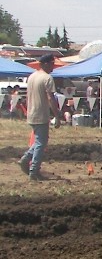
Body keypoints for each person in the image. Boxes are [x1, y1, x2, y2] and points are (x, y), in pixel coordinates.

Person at [18, 53, 61, 181]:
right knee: (41, 144)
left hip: (31, 113)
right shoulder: (47, 78)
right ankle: (34, 170)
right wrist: (57, 115)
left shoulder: (32, 76)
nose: (53, 66)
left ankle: (26, 160)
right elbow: (51, 98)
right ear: (46, 64)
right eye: (52, 63)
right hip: (41, 114)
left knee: (38, 142)